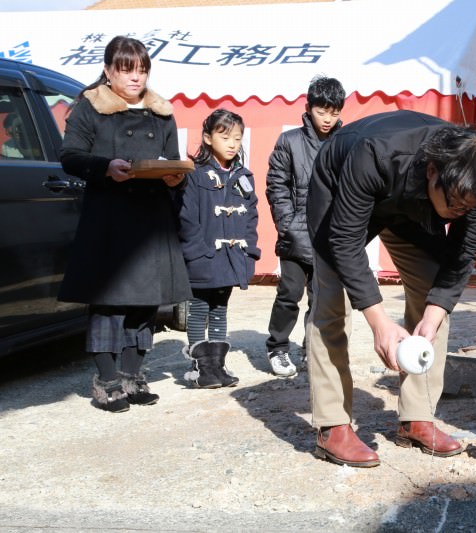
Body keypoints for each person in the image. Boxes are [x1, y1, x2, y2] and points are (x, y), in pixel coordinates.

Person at [306, 109, 476, 467]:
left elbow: (460, 259)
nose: (461, 211)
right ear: (433, 171)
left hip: (414, 204)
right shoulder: (374, 152)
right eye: (456, 204)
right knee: (330, 299)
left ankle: (417, 417)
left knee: (435, 297)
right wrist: (380, 323)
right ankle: (333, 425)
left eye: (468, 207)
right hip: (343, 187)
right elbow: (345, 242)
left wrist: (433, 316)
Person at [59, 36, 192, 413]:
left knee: (145, 303)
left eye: (142, 69)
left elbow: (172, 159)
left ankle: (133, 375)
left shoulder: (161, 111)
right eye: (127, 69)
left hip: (151, 218)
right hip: (109, 216)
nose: (136, 77)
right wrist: (104, 167)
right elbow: (69, 156)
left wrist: (174, 177)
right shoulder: (90, 107)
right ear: (109, 70)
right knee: (109, 303)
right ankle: (106, 380)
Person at [265, 75, 345, 377]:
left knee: (322, 298)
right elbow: (276, 186)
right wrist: (287, 224)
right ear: (308, 107)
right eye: (321, 111)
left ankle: (312, 347)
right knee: (289, 293)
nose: (327, 119)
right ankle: (277, 347)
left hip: (331, 237)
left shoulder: (346, 142)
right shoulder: (290, 141)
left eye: (334, 112)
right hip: (296, 236)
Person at [177, 109, 260, 388]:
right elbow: (187, 218)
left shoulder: (243, 176)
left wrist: (249, 250)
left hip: (231, 256)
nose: (232, 143)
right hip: (203, 256)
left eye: (237, 138)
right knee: (199, 309)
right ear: (207, 138)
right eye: (225, 137)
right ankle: (200, 368)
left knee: (220, 309)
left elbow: (251, 216)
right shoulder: (196, 174)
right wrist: (197, 251)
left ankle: (217, 367)